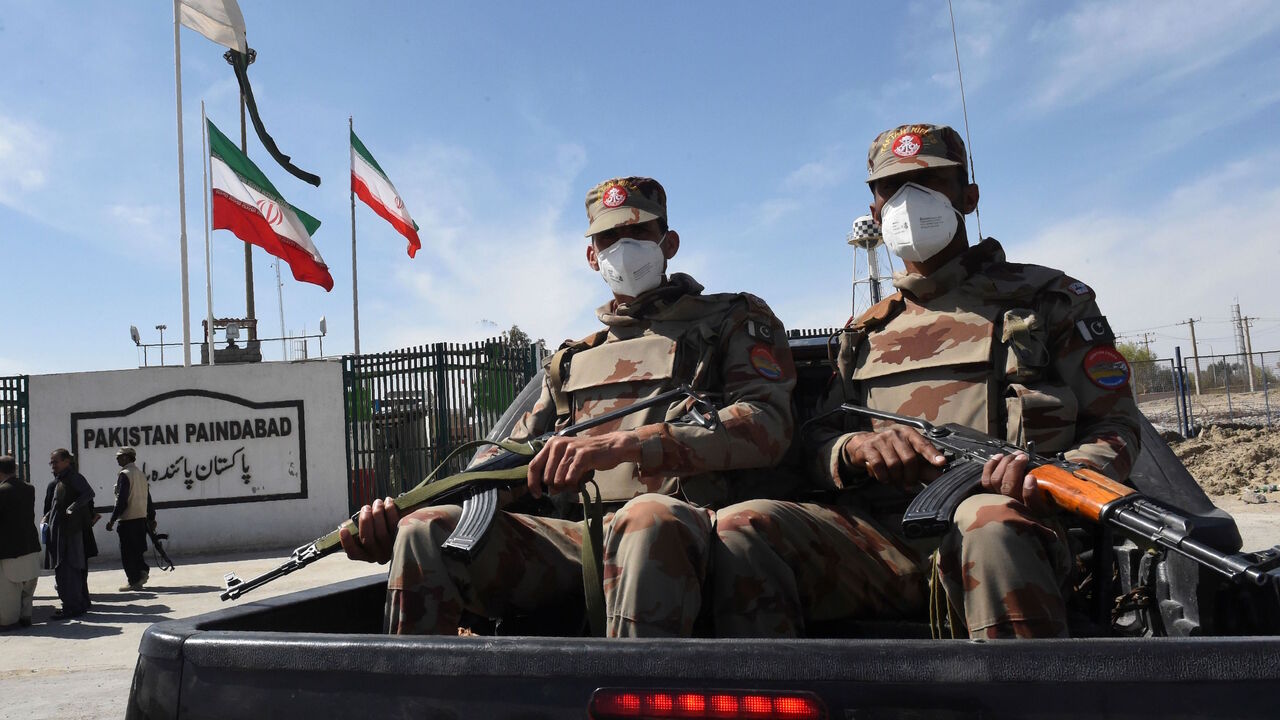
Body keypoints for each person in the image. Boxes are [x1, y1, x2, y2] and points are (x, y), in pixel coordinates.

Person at [712, 123, 1142, 639]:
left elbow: (1116, 425)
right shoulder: (864, 331)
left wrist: (1050, 481)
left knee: (989, 522)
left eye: (932, 182)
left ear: (968, 196)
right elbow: (815, 440)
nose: (909, 201)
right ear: (875, 209)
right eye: (891, 189)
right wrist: (856, 447)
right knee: (741, 527)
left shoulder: (1048, 299)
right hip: (883, 539)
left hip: (1019, 527)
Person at [342, 176, 799, 637]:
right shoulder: (571, 361)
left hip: (699, 535)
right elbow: (499, 465)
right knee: (424, 531)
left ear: (669, 242)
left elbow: (768, 424)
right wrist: (397, 513)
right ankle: (417, 701)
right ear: (592, 256)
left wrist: (627, 446)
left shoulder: (730, 321)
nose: (624, 246)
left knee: (646, 520)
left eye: (638, 233)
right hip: (580, 542)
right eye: (609, 238)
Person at [42, 448, 97, 620]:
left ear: (67, 461)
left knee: (69, 569)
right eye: (51, 462)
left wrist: (73, 507)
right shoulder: (59, 481)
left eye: (56, 461)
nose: (53, 465)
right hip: (60, 533)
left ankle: (72, 607)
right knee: (63, 569)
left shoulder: (74, 478)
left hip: (70, 533)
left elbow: (89, 493)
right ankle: (74, 604)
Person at [105, 446, 156, 591]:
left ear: (127, 457)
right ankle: (142, 572)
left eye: (120, 456)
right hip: (141, 519)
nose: (117, 459)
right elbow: (149, 499)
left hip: (127, 520)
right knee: (138, 550)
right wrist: (151, 517)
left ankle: (134, 581)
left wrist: (112, 519)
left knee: (128, 553)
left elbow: (122, 500)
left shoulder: (125, 474)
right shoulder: (140, 474)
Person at [0, 455, 42, 630]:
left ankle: (9, 622)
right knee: (27, 588)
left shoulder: (2, 491)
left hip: (10, 549)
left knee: (9, 590)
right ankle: (26, 617)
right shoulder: (29, 488)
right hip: (30, 544)